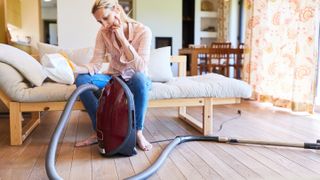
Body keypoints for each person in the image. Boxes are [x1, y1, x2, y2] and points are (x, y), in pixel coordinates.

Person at [72, 0, 152, 151]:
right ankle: (100, 130)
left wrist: (122, 39)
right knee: (82, 80)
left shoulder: (143, 31)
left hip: (137, 78)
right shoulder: (103, 33)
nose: (104, 25)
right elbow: (95, 65)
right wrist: (72, 68)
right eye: (99, 21)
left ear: (116, 10)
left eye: (106, 18)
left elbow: (140, 68)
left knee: (139, 78)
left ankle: (138, 132)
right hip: (115, 77)